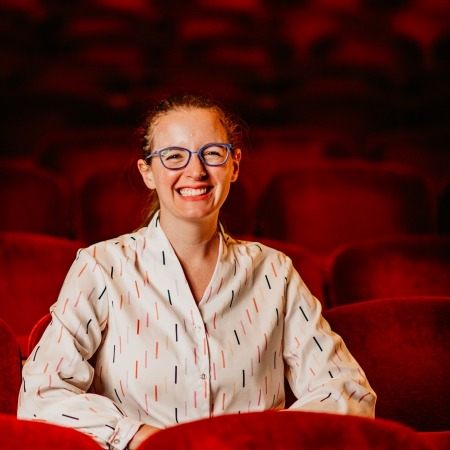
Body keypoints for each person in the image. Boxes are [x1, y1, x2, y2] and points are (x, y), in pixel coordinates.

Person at [18, 92, 376, 449]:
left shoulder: (275, 271)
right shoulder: (102, 266)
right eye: (174, 156)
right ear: (147, 172)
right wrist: (146, 439)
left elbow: (348, 391)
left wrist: (259, 438)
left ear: (234, 164)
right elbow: (41, 394)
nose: (195, 171)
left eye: (212, 153)